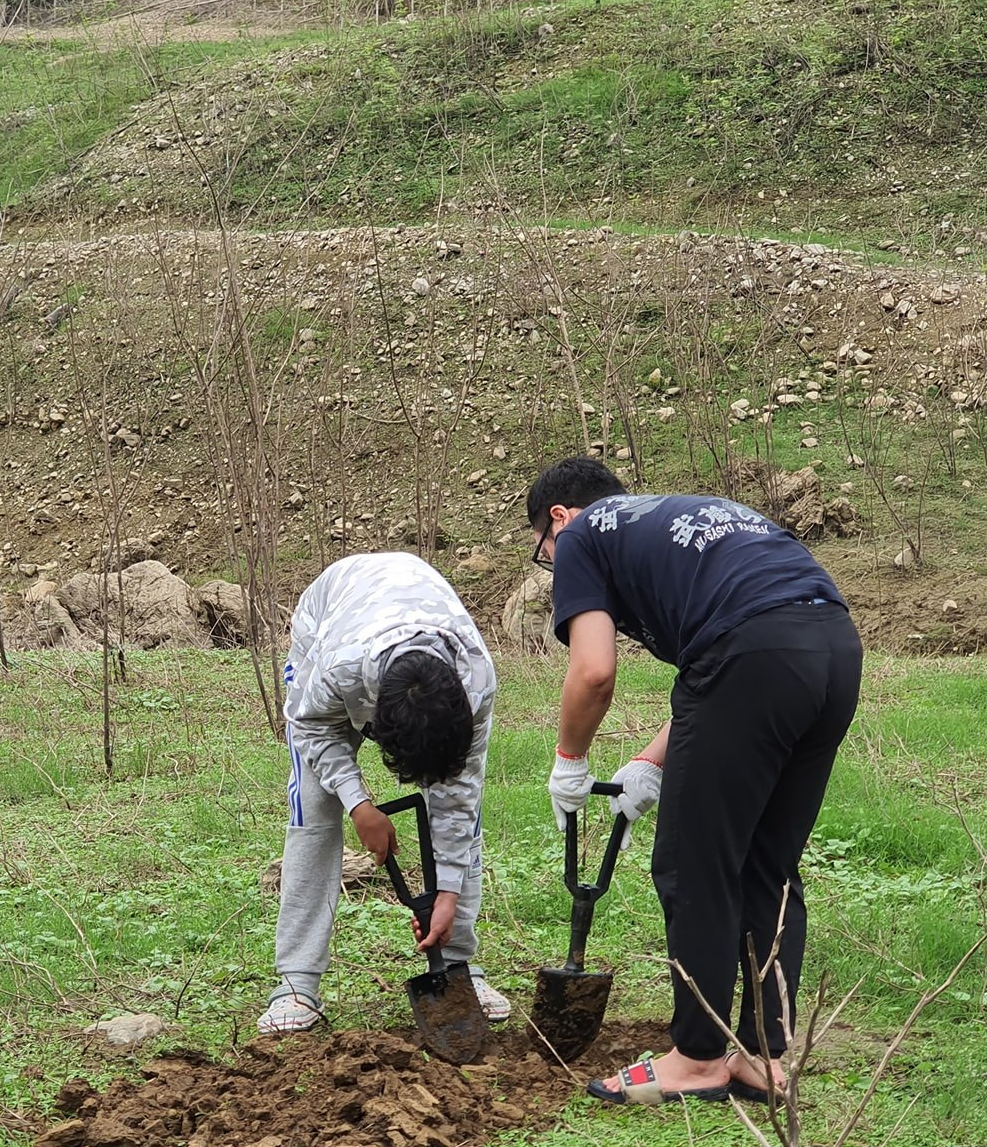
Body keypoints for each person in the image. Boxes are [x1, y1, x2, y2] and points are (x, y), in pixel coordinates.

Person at [528, 457, 862, 1104]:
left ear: (559, 518)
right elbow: (715, 670)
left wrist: (570, 761)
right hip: (834, 649)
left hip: (756, 655)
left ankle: (698, 1057)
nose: (551, 560)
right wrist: (651, 764)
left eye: (543, 546)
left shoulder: (583, 535)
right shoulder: (676, 517)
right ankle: (761, 1057)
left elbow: (594, 672)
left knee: (691, 864)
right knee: (767, 864)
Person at [261, 551, 507, 1036]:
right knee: (315, 804)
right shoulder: (338, 672)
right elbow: (308, 728)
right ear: (374, 721)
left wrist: (449, 891)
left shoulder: (475, 683)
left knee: (460, 810)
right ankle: (296, 984)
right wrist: (359, 803)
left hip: (409, 612)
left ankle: (458, 966)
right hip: (332, 617)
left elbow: (459, 797)